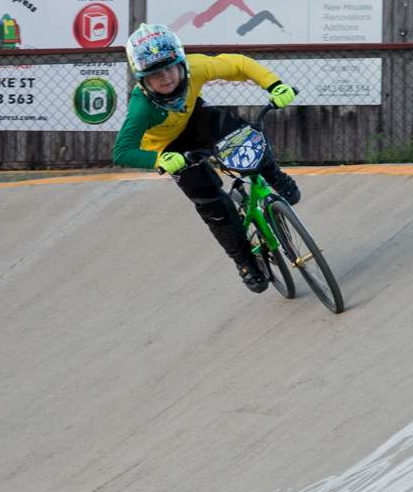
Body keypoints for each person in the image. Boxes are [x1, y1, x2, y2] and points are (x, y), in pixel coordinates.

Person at [112, 23, 302, 293]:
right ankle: (245, 262)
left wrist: (275, 85)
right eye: (154, 74)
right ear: (142, 81)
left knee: (241, 135)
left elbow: (238, 64)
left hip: (196, 118)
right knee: (212, 203)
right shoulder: (141, 107)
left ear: (182, 64)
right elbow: (122, 151)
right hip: (169, 148)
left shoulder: (197, 66)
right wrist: (159, 161)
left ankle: (276, 176)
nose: (165, 77)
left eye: (170, 67)